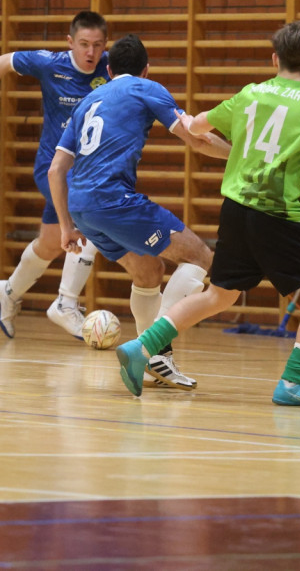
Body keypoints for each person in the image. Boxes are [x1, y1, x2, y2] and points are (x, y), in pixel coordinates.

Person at [114, 20, 300, 404]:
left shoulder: (251, 93)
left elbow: (197, 125)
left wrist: (196, 126)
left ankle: (142, 347)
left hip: (235, 210)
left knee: (219, 296)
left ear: (275, 59)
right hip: (277, 214)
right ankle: (293, 383)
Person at [49, 34, 231, 390]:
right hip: (114, 200)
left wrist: (66, 227)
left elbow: (56, 169)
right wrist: (240, 155)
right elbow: (197, 139)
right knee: (200, 257)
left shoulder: (86, 102)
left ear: (108, 70)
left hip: (81, 207)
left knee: (149, 272)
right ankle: (149, 349)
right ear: (146, 70)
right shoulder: (148, 88)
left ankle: (151, 365)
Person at [0, 11, 110, 340]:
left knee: (52, 243)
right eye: (84, 44)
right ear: (70, 42)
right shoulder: (50, 64)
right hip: (53, 168)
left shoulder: (110, 68)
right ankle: (65, 303)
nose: (90, 52)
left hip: (86, 172)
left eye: (97, 45)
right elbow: (3, 62)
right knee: (90, 221)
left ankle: (9, 290)